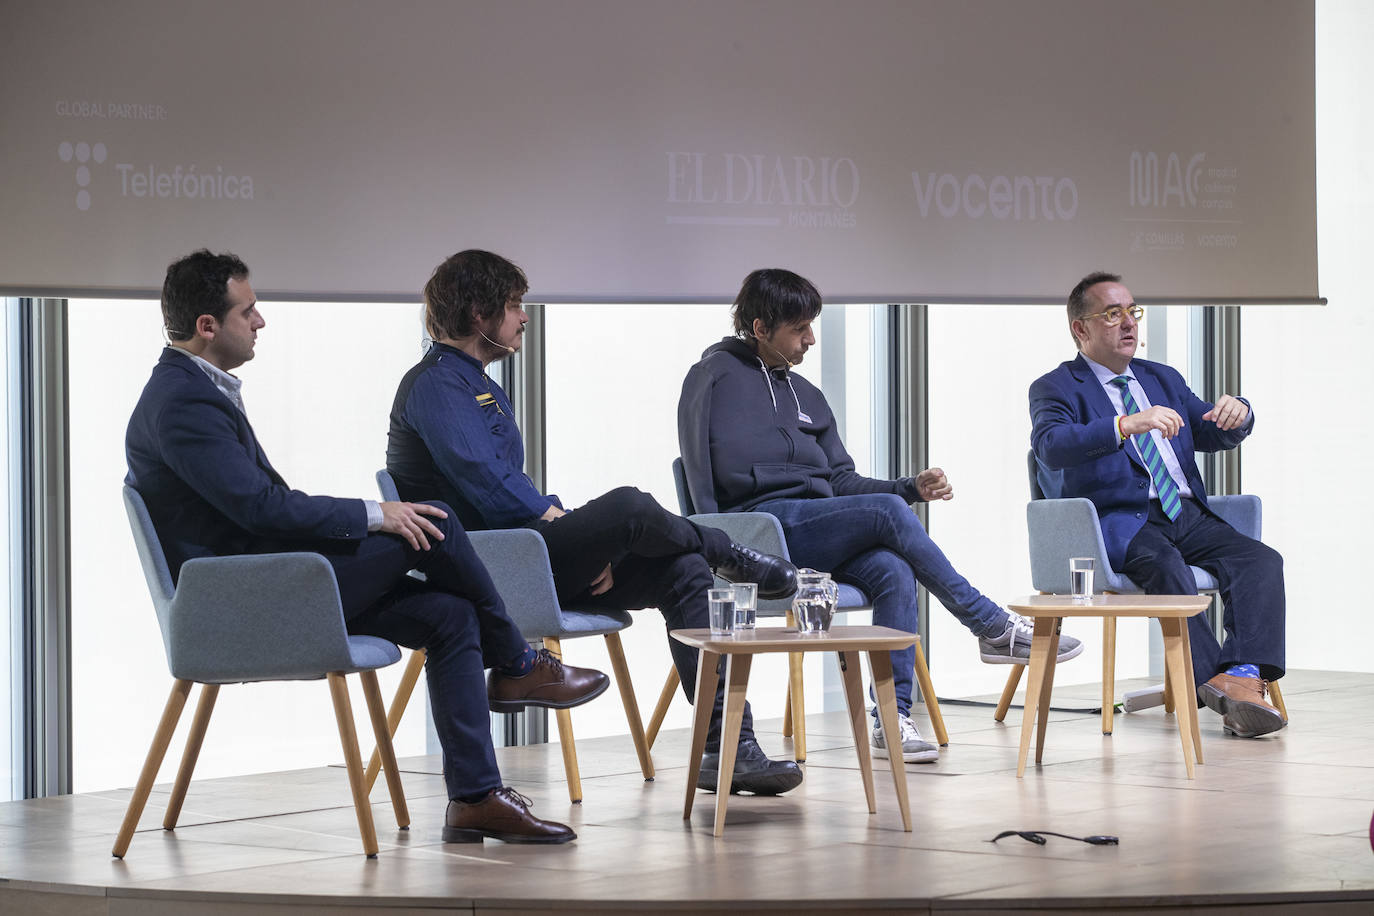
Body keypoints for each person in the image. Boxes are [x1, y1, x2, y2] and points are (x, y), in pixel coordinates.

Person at [126, 249, 611, 846]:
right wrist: (373, 515)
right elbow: (261, 509)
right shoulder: (182, 402)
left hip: (276, 579)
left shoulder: (196, 389)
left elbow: (257, 509)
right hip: (246, 601)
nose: (261, 322)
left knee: (450, 615)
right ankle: (516, 664)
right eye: (248, 311)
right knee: (437, 523)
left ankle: (475, 799)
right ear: (208, 325)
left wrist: (373, 520)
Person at [386, 249, 804, 795]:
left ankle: (728, 748)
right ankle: (726, 550)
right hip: (491, 566)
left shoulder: (474, 382)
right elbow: (487, 486)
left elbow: (514, 487)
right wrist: (564, 522)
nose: (524, 317)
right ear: (476, 313)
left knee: (681, 569)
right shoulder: (438, 384)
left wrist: (582, 538)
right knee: (630, 505)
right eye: (513, 305)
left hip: (525, 550)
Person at [678, 268, 1082, 764]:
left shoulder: (807, 395)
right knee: (887, 517)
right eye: (798, 329)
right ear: (760, 328)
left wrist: (906, 488)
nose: (810, 340)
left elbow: (842, 481)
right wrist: (722, 554)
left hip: (814, 527)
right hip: (758, 533)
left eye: (812, 326)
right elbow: (702, 480)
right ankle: (990, 625)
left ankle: (893, 718)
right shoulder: (712, 379)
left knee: (893, 570)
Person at [1029, 271, 1286, 738]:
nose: (1128, 323)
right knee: (1169, 569)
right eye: (1112, 314)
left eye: (1132, 311)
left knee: (1260, 560)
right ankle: (1216, 684)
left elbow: (1210, 430)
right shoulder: (1056, 387)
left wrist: (1239, 414)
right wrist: (1124, 424)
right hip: (1123, 521)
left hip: (1185, 512)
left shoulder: (1161, 378)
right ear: (1080, 329)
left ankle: (1244, 675)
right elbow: (1051, 445)